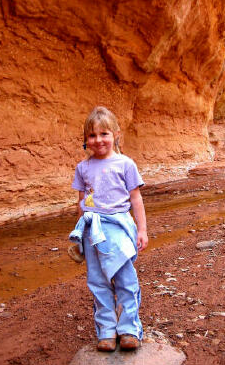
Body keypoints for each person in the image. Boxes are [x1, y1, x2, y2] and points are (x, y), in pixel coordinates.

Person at [68, 106, 148, 352]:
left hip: (120, 226)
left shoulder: (125, 164)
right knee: (98, 281)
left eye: (104, 134)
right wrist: (79, 236)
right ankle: (106, 330)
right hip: (93, 229)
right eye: (92, 135)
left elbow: (136, 199)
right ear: (85, 140)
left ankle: (129, 330)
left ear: (116, 134)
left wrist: (142, 230)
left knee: (125, 278)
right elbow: (82, 203)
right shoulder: (82, 168)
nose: (98, 140)